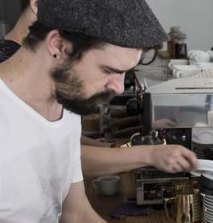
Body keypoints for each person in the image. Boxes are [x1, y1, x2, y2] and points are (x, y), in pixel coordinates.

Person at [0, 0, 213, 223]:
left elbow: (77, 216)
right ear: (58, 45)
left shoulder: (64, 106)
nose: (118, 87)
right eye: (109, 71)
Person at [0, 0, 199, 178]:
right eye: (107, 70)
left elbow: (57, 140)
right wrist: (147, 155)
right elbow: (44, 156)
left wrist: (113, 148)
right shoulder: (42, 74)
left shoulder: (65, 81)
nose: (119, 88)